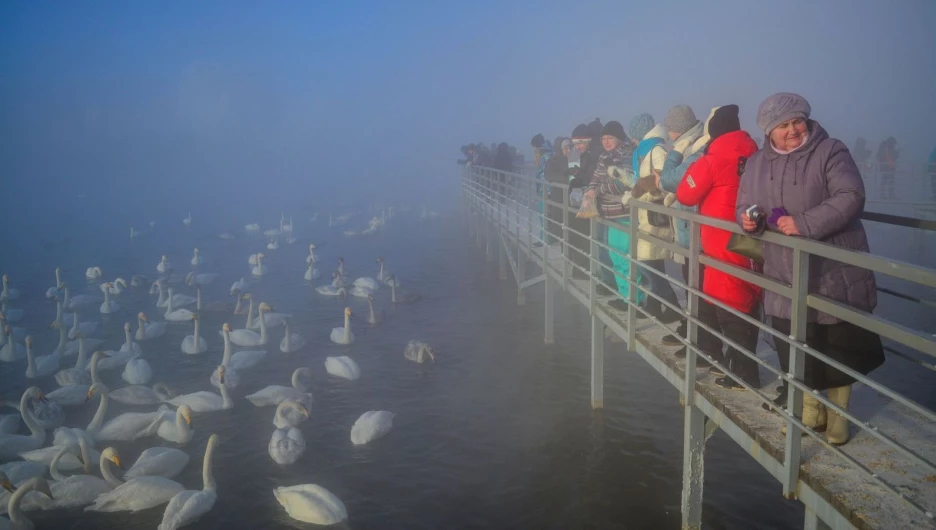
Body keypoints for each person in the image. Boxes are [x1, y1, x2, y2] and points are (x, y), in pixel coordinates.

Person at [737, 92, 884, 445]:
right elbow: (744, 202)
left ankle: (838, 418)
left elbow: (851, 195)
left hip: (833, 268)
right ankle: (808, 412)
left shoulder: (831, 151)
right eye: (783, 125)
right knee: (795, 343)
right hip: (783, 271)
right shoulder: (757, 162)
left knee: (837, 345)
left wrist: (804, 223)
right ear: (769, 131)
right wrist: (747, 219)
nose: (793, 130)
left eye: (797, 121)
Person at [677, 105, 762, 390]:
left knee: (729, 301)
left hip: (720, 241)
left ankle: (744, 373)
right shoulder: (755, 154)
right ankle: (738, 366)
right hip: (750, 236)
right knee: (746, 293)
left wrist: (696, 160)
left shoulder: (712, 159)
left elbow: (685, 194)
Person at [659, 105, 719, 353]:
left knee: (698, 289)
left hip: (696, 235)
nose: (669, 135)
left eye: (671, 129)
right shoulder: (697, 146)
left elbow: (669, 179)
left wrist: (674, 155)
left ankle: (702, 342)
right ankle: (693, 332)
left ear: (677, 130)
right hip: (691, 232)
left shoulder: (694, 150)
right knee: (693, 286)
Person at [627, 113, 682, 322]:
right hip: (646, 213)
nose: (632, 139)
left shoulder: (656, 150)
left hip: (654, 214)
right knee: (651, 262)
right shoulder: (645, 151)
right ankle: (654, 304)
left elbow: (664, 181)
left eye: (633, 135)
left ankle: (672, 306)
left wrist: (641, 192)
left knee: (648, 263)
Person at [583, 121, 642, 305]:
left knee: (624, 257)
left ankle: (634, 300)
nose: (606, 142)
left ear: (618, 138)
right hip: (607, 213)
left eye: (610, 138)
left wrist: (598, 191)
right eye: (603, 138)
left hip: (622, 213)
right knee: (616, 257)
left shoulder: (625, 154)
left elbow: (624, 182)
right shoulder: (604, 156)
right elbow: (596, 177)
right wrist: (590, 190)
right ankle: (625, 296)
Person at [567, 124, 600, 279]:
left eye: (580, 143)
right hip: (575, 200)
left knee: (586, 234)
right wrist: (573, 181)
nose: (578, 146)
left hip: (587, 200)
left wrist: (577, 180)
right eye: (575, 144)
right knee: (578, 234)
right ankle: (579, 269)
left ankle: (583, 268)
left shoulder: (594, 155)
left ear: (588, 141)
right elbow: (571, 174)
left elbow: (590, 176)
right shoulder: (574, 155)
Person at [544, 137, 571, 243]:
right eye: (565, 148)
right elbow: (549, 175)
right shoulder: (552, 161)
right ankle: (561, 245)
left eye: (570, 148)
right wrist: (567, 179)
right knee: (560, 222)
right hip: (559, 197)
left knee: (570, 223)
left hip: (572, 198)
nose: (568, 151)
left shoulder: (575, 159)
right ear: (560, 149)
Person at [531, 134, 553, 245]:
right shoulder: (549, 152)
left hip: (545, 190)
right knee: (547, 215)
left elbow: (545, 174)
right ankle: (547, 237)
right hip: (548, 190)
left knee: (543, 214)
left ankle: (545, 239)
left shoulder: (544, 156)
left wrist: (546, 192)